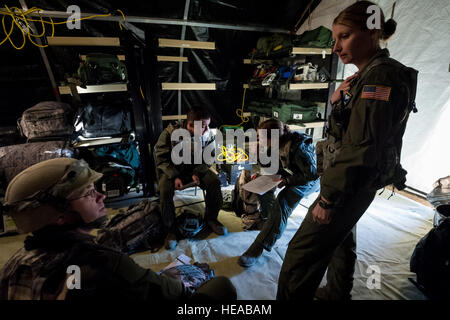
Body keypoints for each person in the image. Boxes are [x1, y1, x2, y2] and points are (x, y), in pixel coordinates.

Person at [277, 1, 418, 300]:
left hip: (347, 184)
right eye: (335, 38)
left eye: (345, 36)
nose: (336, 48)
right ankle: (337, 293)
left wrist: (327, 199)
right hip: (350, 181)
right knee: (341, 240)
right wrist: (338, 102)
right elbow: (356, 129)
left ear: (373, 32)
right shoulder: (367, 76)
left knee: (299, 258)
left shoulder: (379, 77)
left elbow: (361, 147)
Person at [0, 158, 236, 300]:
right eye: (88, 193)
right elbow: (174, 296)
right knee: (221, 287)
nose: (102, 196)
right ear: (59, 216)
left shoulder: (15, 264)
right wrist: (165, 283)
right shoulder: (104, 264)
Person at [238, 119, 320, 267]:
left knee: (283, 201)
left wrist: (288, 181)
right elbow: (272, 166)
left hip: (308, 180)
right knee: (262, 185)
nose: (259, 139)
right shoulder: (274, 144)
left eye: (262, 137)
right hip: (291, 172)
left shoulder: (298, 147)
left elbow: (312, 174)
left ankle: (258, 247)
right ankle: (269, 219)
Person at [155, 106, 227, 250]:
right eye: (204, 126)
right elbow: (161, 158)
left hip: (196, 169)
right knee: (164, 189)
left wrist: (198, 172)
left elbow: (209, 158)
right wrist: (174, 176)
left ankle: (211, 219)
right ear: (190, 125)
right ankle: (170, 229)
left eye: (208, 125)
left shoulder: (208, 135)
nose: (207, 129)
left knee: (214, 182)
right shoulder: (170, 133)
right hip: (173, 170)